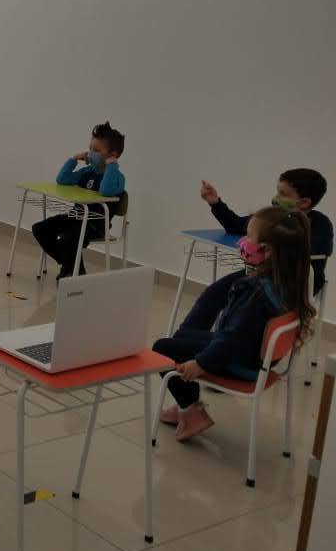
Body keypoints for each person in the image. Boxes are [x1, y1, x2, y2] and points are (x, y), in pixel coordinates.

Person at [153, 207, 315, 441]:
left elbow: (231, 339)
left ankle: (190, 410)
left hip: (239, 361)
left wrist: (201, 363)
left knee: (162, 348)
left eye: (248, 236)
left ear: (267, 251)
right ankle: (186, 406)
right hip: (257, 358)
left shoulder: (253, 293)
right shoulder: (287, 281)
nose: (242, 241)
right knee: (183, 339)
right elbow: (234, 333)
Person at [200, 168, 330, 293]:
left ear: (304, 202)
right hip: (264, 276)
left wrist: (263, 247)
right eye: (277, 192)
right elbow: (235, 226)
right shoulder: (272, 216)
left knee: (240, 294)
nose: (274, 198)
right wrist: (215, 202)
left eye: (283, 194)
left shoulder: (320, 224)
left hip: (298, 285)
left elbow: (305, 251)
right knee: (215, 292)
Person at [31, 121, 126, 280]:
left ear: (112, 155)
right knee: (40, 229)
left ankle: (71, 270)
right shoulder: (87, 171)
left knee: (67, 239)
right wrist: (74, 159)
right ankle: (73, 267)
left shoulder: (117, 178)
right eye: (90, 149)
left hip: (95, 225)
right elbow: (62, 179)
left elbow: (105, 190)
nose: (91, 153)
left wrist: (111, 165)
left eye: (96, 150)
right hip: (75, 217)